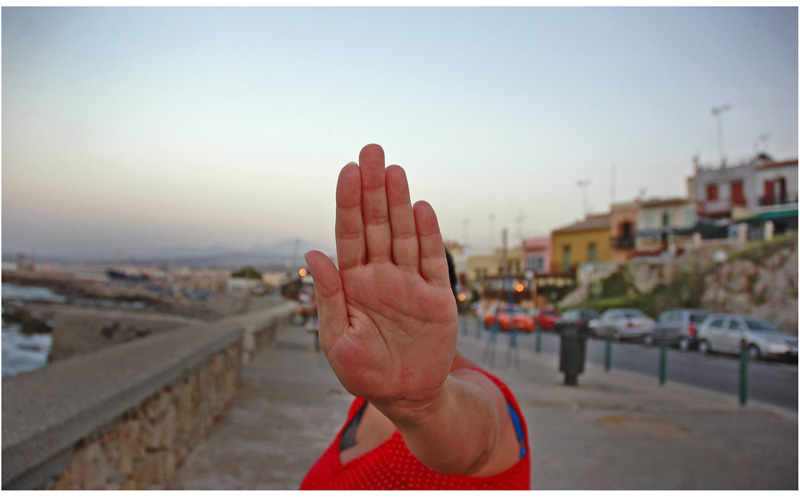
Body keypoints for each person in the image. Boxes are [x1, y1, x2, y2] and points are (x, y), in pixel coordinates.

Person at [301, 144, 530, 490]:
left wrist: (421, 408)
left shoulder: (487, 403)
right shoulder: (371, 395)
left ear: (441, 303)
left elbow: (470, 439)